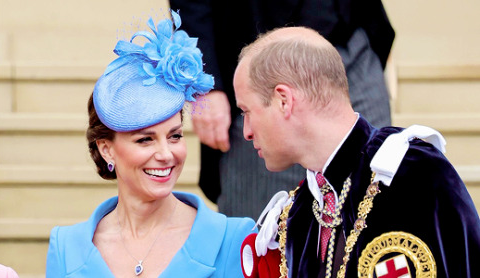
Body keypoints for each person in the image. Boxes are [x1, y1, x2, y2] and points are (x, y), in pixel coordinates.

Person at [234, 26, 480, 278]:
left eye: (246, 111)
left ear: (283, 100)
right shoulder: (297, 214)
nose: (247, 132)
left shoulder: (411, 172)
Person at [45, 11, 255, 278]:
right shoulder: (66, 248)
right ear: (106, 148)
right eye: (145, 139)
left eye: (175, 136)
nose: (166, 154)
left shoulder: (234, 239)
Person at [169, 0, 395, 220]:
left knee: (376, 201)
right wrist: (205, 82)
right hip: (254, 53)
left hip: (350, 42)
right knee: (259, 228)